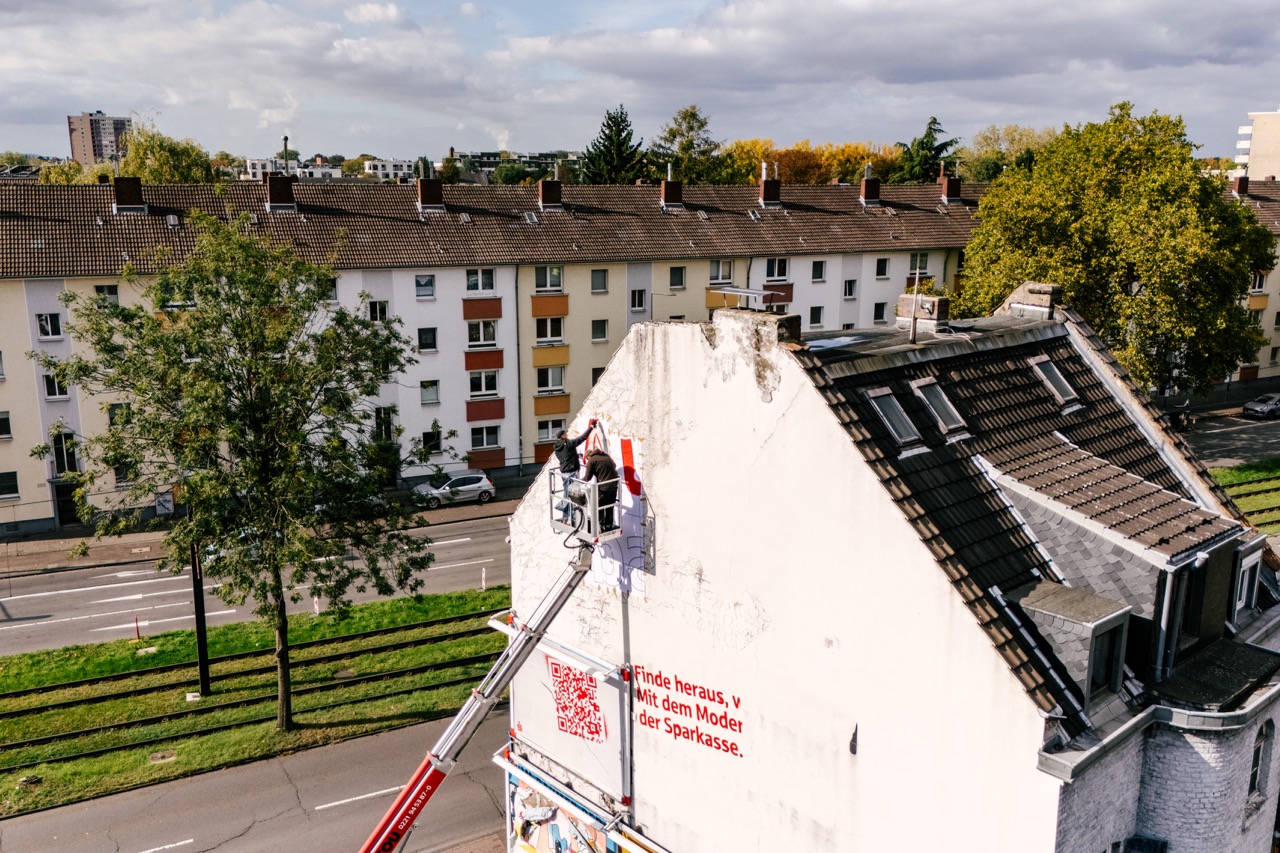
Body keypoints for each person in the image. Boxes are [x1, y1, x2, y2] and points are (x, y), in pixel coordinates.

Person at [554, 419, 595, 521]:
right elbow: (582, 438)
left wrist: (576, 456)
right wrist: (591, 427)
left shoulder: (557, 446)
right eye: (565, 434)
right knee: (571, 495)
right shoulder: (568, 443)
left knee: (567, 493)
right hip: (571, 472)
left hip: (564, 472)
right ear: (562, 436)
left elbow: (566, 456)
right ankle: (568, 517)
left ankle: (567, 517)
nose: (567, 435)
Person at [583, 443, 620, 532]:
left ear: (588, 456)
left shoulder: (591, 460)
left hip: (604, 486)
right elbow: (614, 465)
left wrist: (579, 481)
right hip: (614, 484)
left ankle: (601, 527)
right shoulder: (606, 455)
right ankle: (608, 526)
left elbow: (588, 477)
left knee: (599, 506)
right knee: (610, 506)